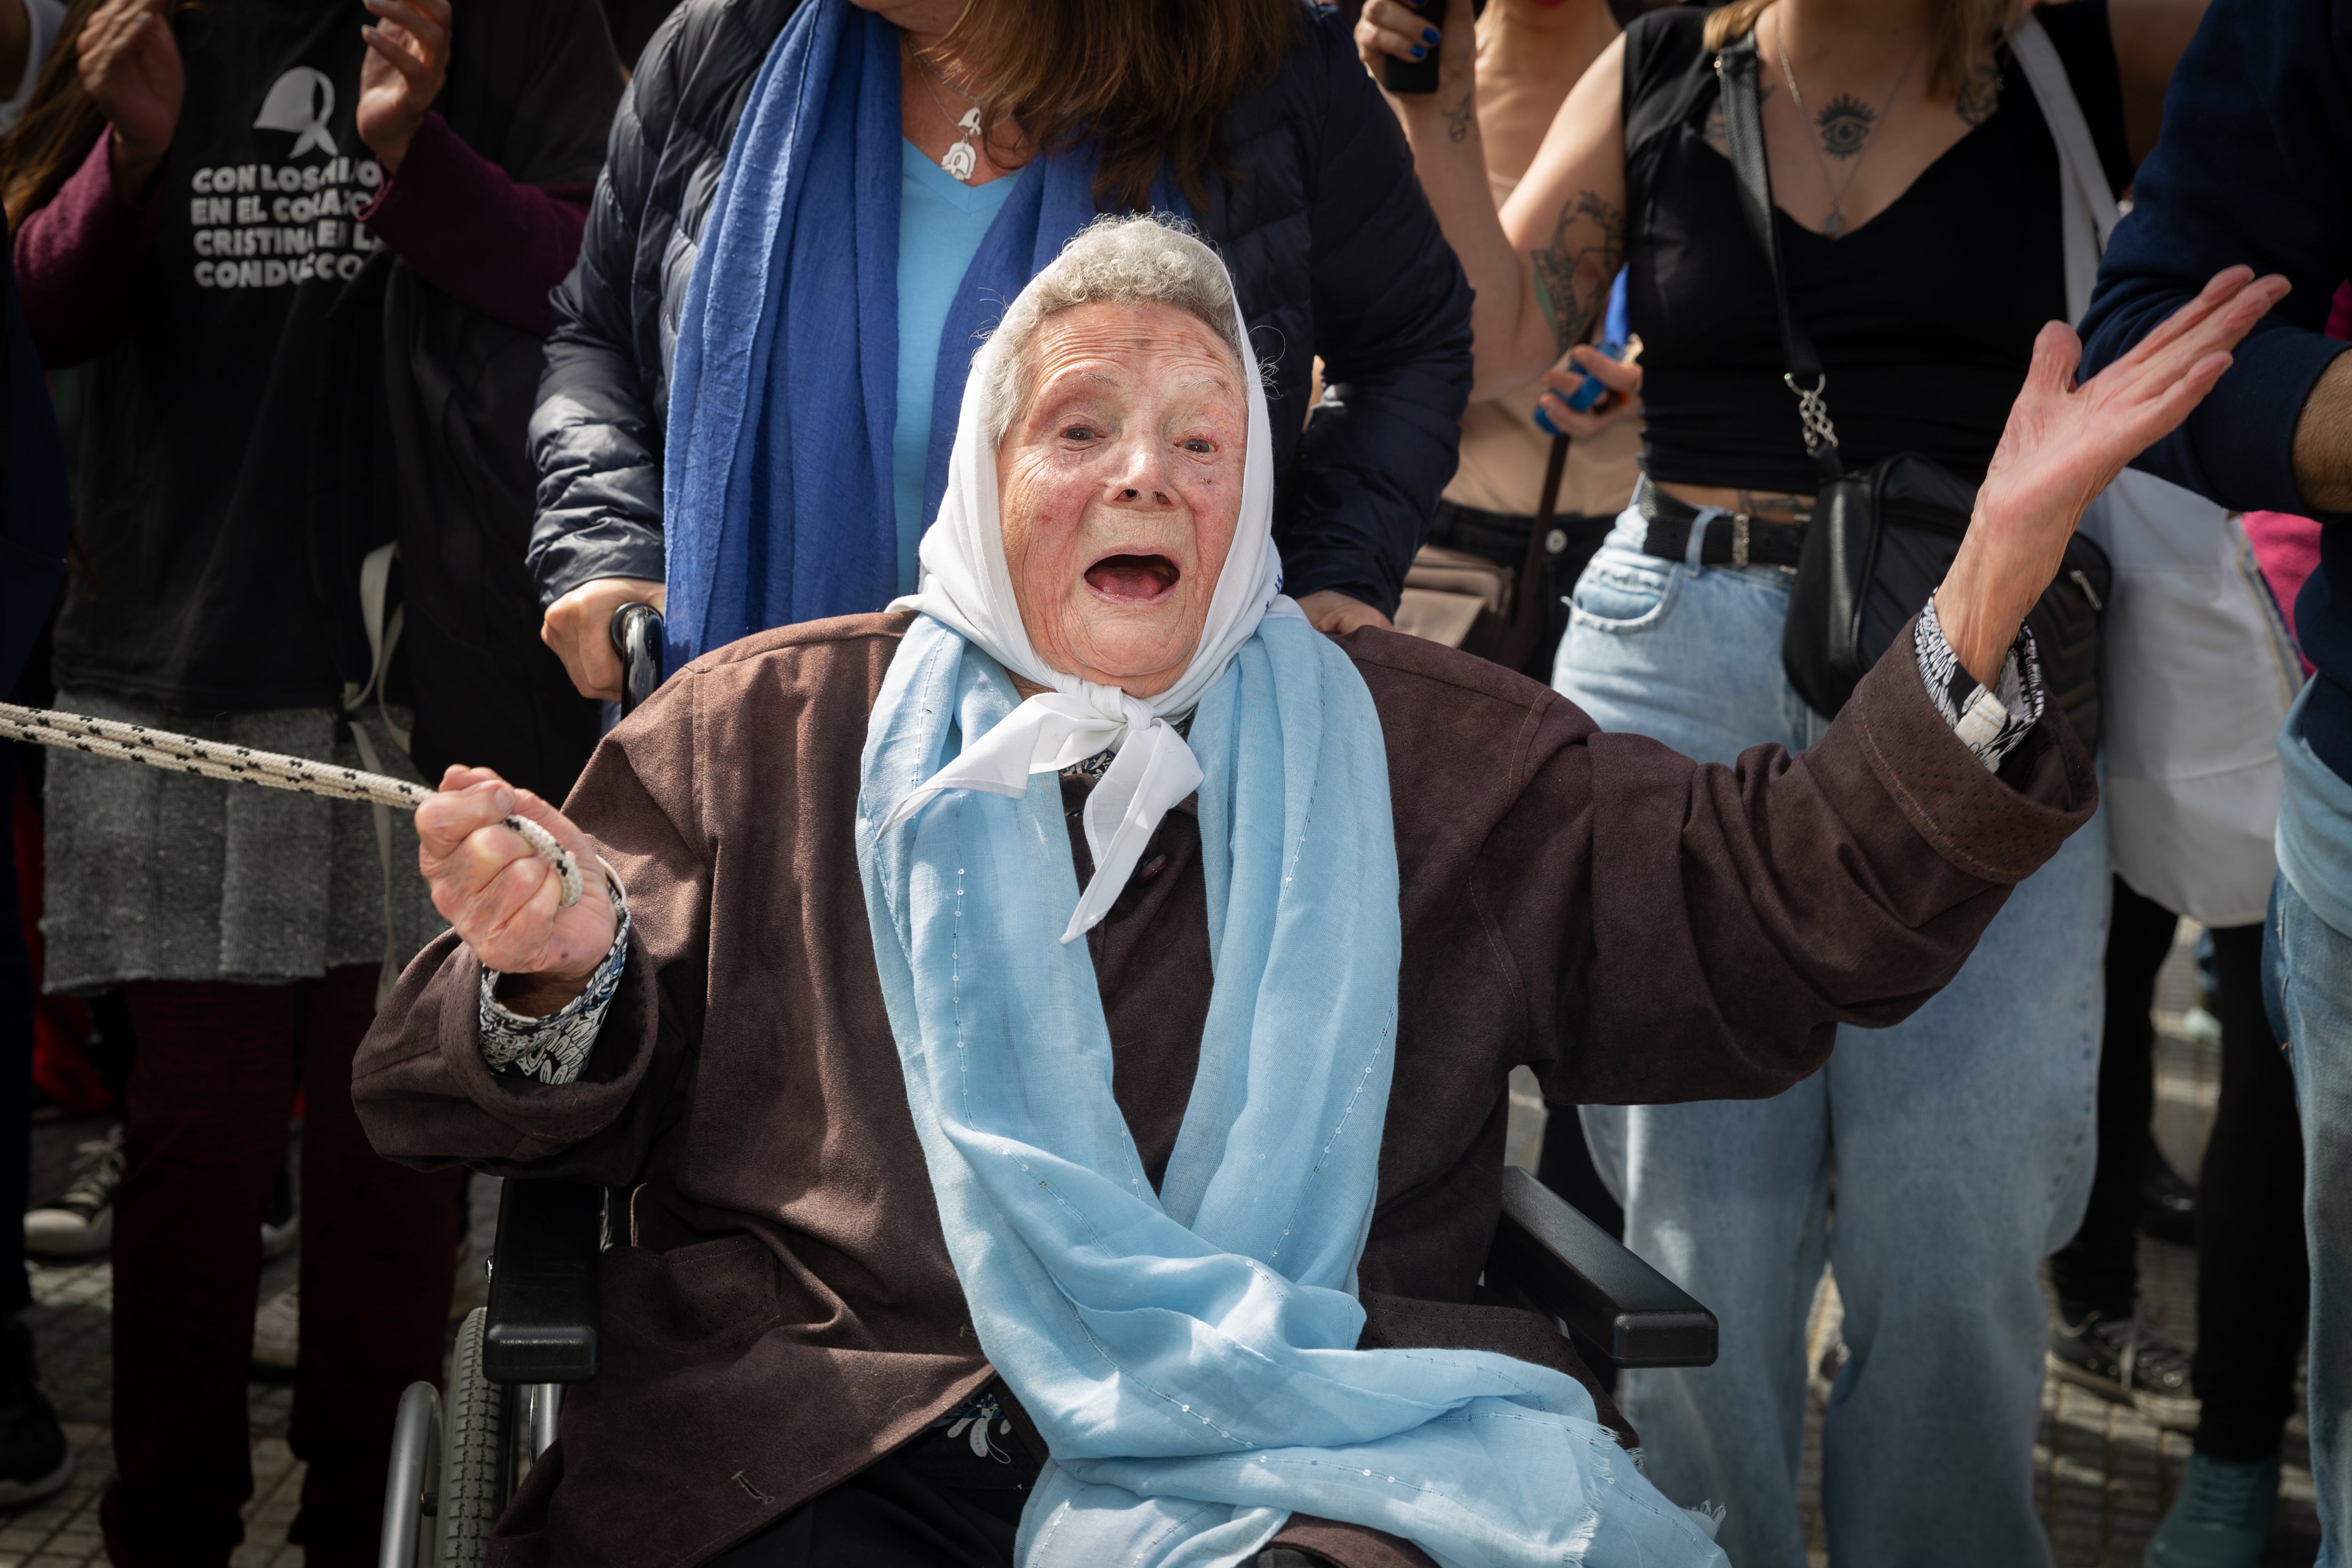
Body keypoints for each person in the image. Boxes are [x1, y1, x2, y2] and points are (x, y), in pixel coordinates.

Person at [355, 215, 2272, 1568]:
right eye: (1080, 429)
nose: (1146, 479)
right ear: (984, 473)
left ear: (1255, 493)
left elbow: (1769, 899)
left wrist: (1985, 587)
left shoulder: (1420, 747)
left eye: (1202, 440)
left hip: (1293, 1444)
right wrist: (550, 980)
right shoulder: (762, 735)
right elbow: (455, 1081)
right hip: (824, 1431)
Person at [1356, 0, 2211, 1561]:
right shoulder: (1667, 65)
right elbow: (1499, 344)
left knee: (1957, 1231)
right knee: (1697, 1246)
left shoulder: (2091, 46)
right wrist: (1426, 101)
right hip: (1675, 651)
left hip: (1978, 655)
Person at [10, 0, 624, 1560]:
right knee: (194, 1144)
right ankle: (165, 1525)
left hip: (430, 676)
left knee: (393, 1148)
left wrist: (415, 147)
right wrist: (132, 151)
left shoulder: (507, 30)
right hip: (179, 657)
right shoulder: (145, 26)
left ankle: (368, 1525)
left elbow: (582, 279)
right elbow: (41, 318)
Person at [526, 0, 1473, 705]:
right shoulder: (727, 40)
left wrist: (1333, 572)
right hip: (757, 775)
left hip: (1149, 791)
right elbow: (597, 332)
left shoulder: (1264, 61)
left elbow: (1410, 340)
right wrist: (608, 546)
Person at [2077, 3, 2352, 1549]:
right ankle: (2232, 1446)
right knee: (2225, 1022)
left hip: (2257, 638)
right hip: (2254, 642)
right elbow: (2162, 307)